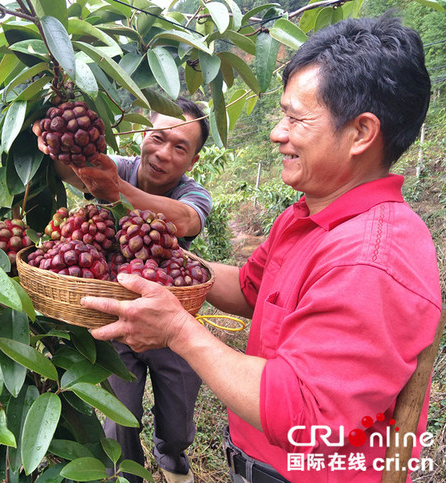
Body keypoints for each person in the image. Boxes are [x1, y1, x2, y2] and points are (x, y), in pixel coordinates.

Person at [81, 15, 442, 482]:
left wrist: (179, 332)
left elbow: (305, 415)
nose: (277, 132)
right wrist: (168, 258)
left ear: (361, 133)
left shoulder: (369, 257)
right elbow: (251, 289)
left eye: (295, 117)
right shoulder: (308, 216)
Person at [35, 97, 213, 483]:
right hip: (116, 317)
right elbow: (72, 168)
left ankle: (173, 462)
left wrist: (117, 192)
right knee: (119, 414)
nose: (163, 153)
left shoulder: (193, 193)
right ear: (143, 134)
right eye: (158, 138)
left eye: (179, 147)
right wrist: (52, 137)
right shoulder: (118, 168)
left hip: (174, 321)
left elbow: (184, 220)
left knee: (178, 413)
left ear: (193, 160)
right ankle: (128, 474)